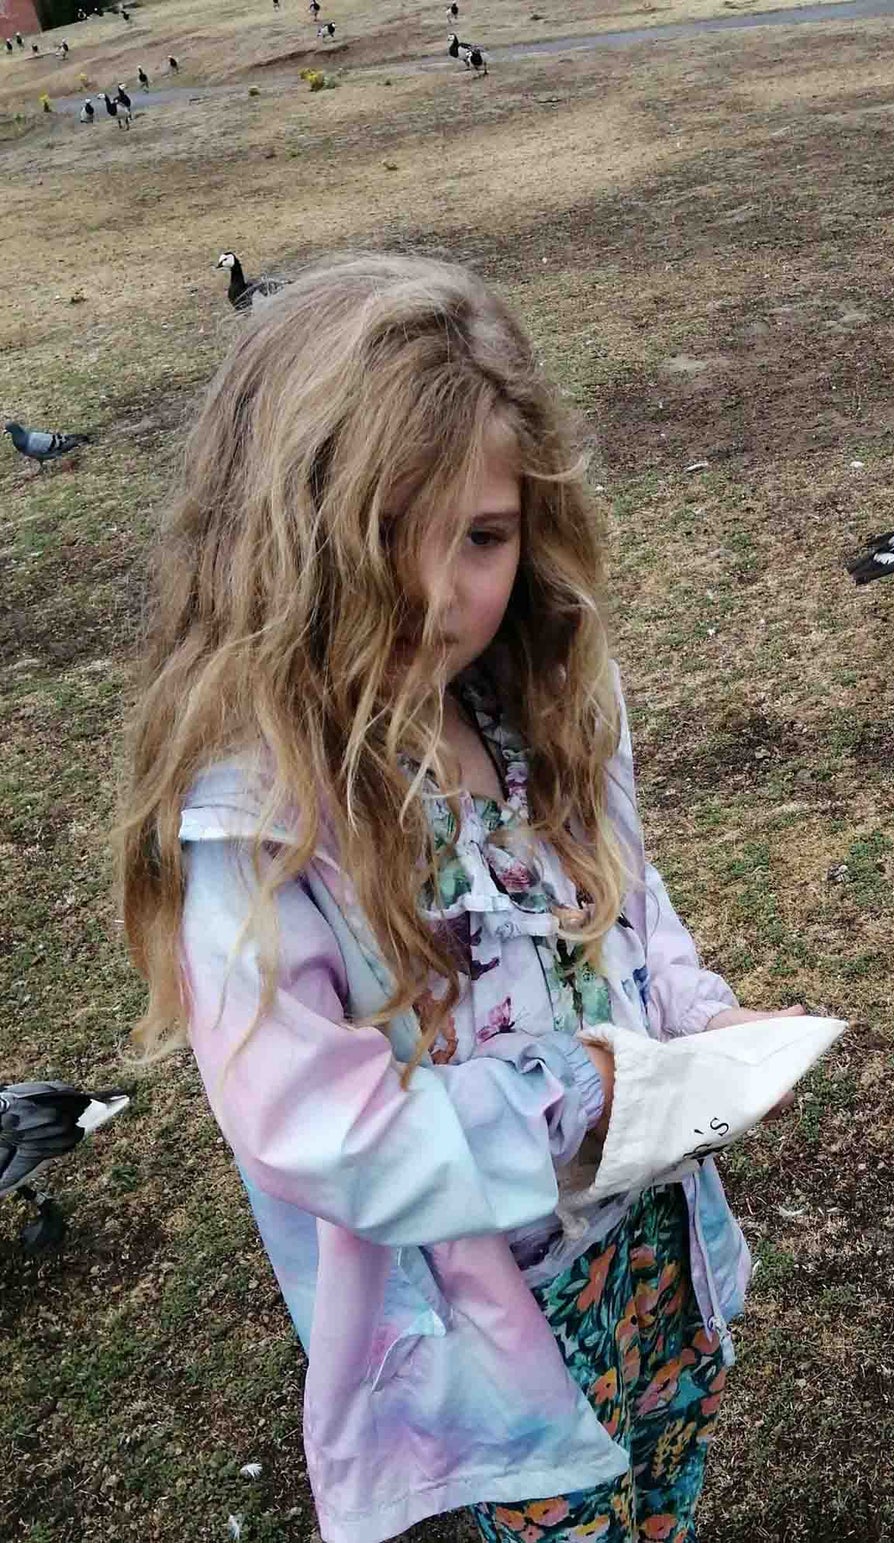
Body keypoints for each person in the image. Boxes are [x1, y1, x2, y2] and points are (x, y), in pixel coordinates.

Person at [114, 252, 800, 1543]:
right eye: (389, 538)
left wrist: (701, 1024)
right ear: (284, 538)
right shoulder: (256, 822)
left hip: (643, 1253)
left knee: (664, 1493)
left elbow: (627, 909)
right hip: (489, 1347)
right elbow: (327, 1136)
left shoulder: (550, 703)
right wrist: (585, 1096)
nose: (443, 595)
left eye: (483, 537)